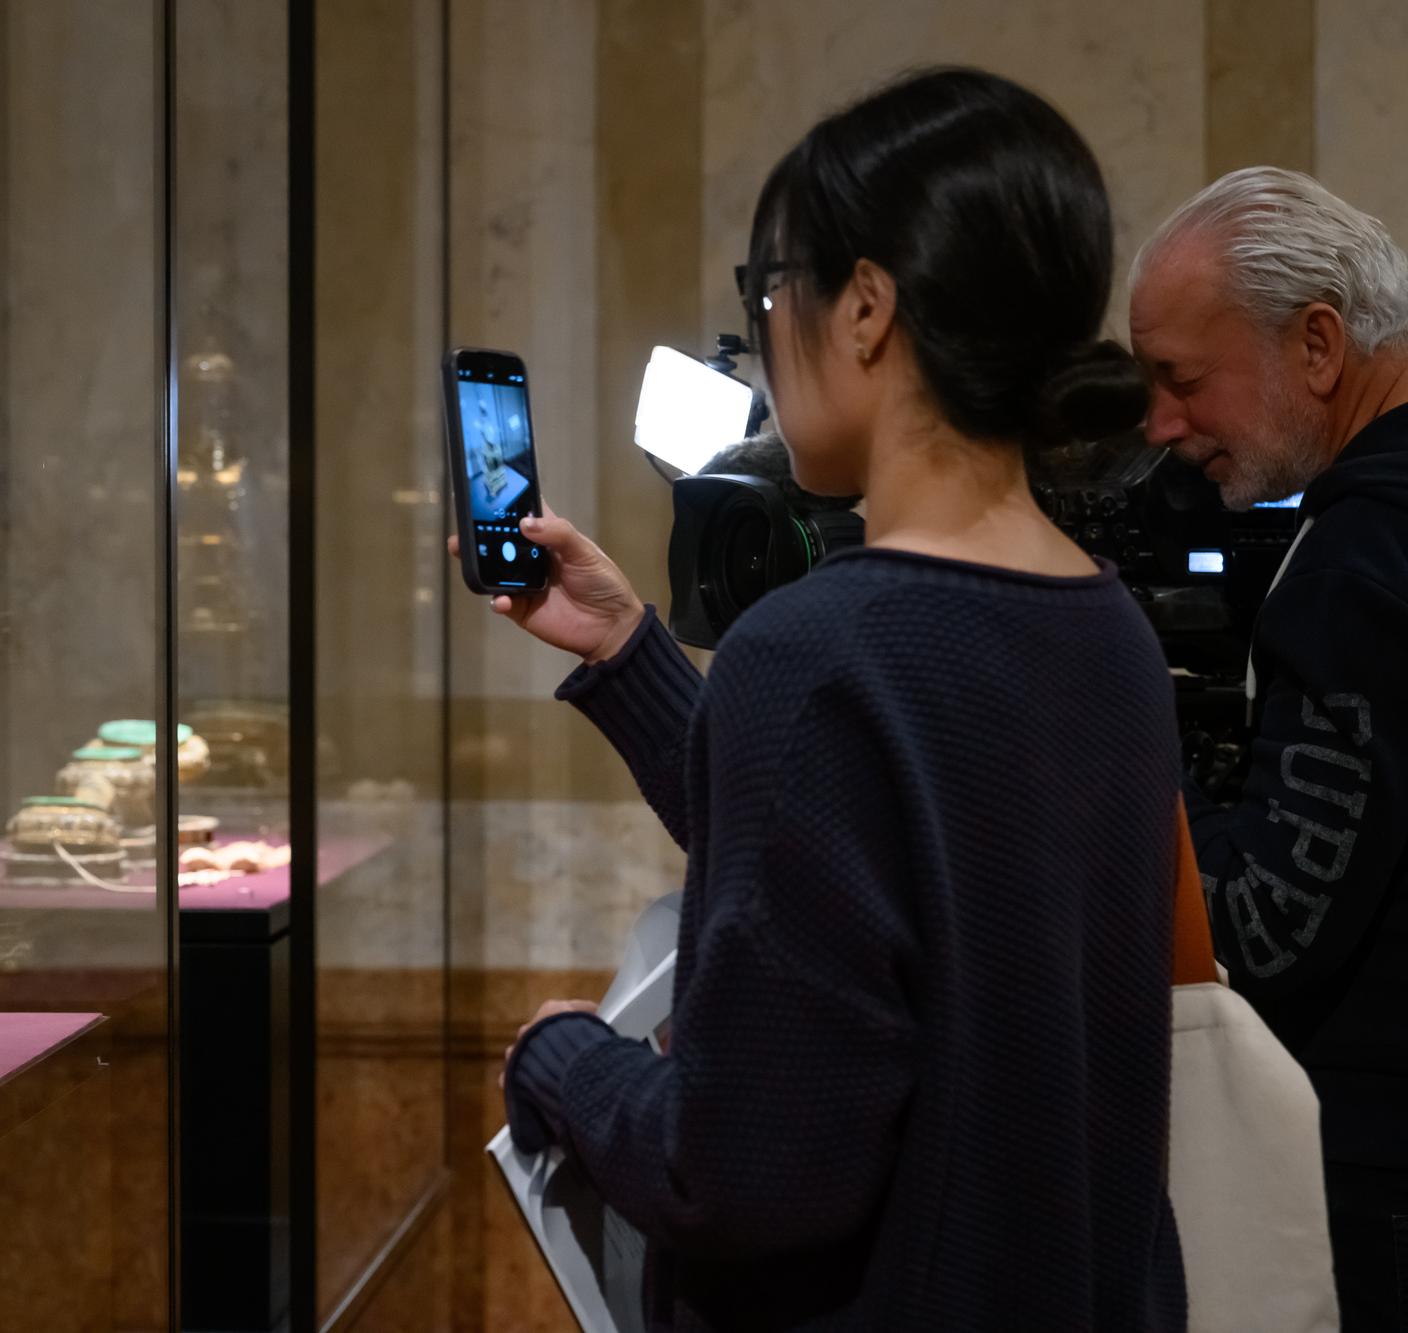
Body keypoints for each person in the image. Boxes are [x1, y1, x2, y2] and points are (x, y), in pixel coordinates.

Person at [477, 68, 1185, 1331]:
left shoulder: (809, 655)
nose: (766, 331)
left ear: (864, 306)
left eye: (768, 292)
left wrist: (559, 1061)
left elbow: (735, 1172)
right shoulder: (1108, 629)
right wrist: (632, 650)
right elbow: (870, 860)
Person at [1131, 167, 1408, 1331]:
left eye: (1180, 380)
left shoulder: (1359, 558)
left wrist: (1127, 731)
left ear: (1316, 344)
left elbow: (1259, 922)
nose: (1158, 428)